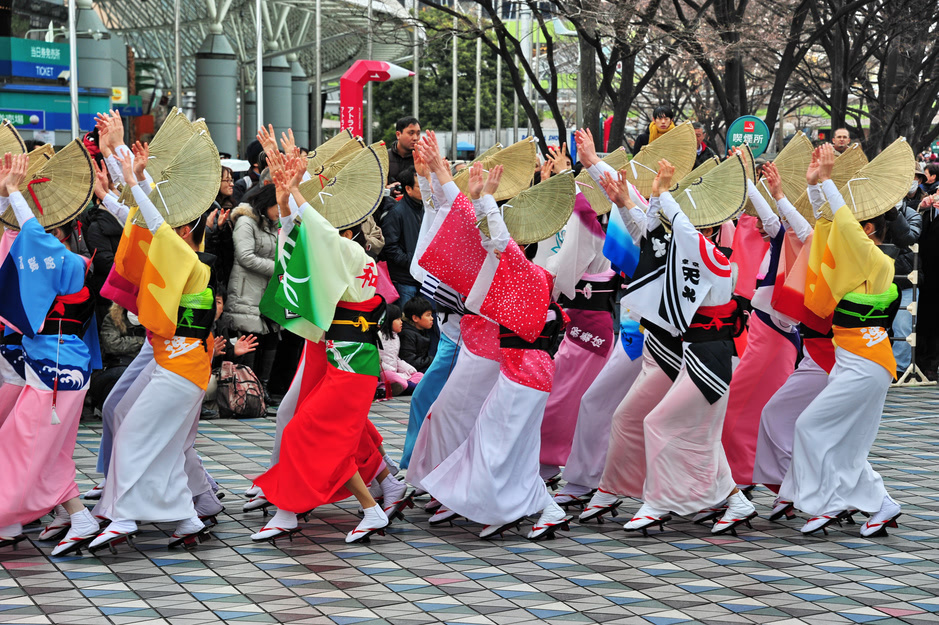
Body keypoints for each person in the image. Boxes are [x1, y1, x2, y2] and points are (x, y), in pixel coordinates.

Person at [250, 155, 409, 544]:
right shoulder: (343, 255)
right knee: (324, 435)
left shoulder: (349, 253)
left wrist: (298, 190)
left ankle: (359, 508)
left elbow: (316, 233)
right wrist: (288, 195)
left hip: (352, 363)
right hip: (346, 360)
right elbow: (298, 234)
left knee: (306, 433)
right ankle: (368, 500)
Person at [88, 142, 219, 552]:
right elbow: (142, 225)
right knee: (162, 445)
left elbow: (153, 224)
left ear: (186, 233)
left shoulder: (190, 260)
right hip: (180, 365)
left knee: (131, 433)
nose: (164, 231)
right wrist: (115, 186)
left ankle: (124, 516)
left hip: (180, 369)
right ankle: (186, 517)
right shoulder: (181, 257)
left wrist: (135, 180)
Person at [779, 143, 903, 537]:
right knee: (846, 442)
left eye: (858, 224)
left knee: (809, 427)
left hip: (866, 363)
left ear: (869, 230)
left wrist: (829, 182)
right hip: (858, 360)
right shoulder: (855, 259)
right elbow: (826, 228)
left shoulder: (877, 260)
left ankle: (828, 503)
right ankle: (881, 504)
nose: (848, 230)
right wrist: (815, 188)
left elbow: (843, 225)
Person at [0, 152, 100, 552]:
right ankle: (77, 516)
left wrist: (12, 192)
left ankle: (15, 518)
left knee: (21, 445)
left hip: (55, 371)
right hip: (60, 366)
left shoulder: (63, 259)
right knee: (46, 452)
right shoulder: (71, 260)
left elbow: (31, 237)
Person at [227, 183, 279, 390]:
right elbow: (245, 256)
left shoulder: (274, 224)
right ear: (267, 203)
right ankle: (245, 390)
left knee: (272, 338)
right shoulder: (246, 222)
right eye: (279, 206)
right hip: (246, 291)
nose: (282, 211)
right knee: (250, 339)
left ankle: (262, 388)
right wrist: (278, 269)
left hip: (268, 293)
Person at [381, 167, 424, 306]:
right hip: (404, 279)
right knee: (405, 322)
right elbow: (390, 247)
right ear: (408, 189)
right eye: (420, 185)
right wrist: (411, 261)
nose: (425, 188)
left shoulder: (424, 209)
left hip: (421, 277)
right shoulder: (396, 212)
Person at [379, 303, 424, 396]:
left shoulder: (396, 337)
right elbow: (376, 361)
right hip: (384, 372)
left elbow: (396, 359)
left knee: (420, 375)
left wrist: (409, 369)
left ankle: (403, 387)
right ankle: (411, 387)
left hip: (396, 373)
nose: (401, 322)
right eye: (398, 319)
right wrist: (390, 369)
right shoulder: (378, 336)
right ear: (388, 320)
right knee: (390, 376)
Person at [400, 296, 434, 373]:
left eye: (431, 315)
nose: (432, 318)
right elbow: (410, 361)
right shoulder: (407, 334)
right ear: (415, 318)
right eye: (428, 315)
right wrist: (432, 360)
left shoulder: (422, 330)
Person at [387, 116, 421, 185]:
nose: (415, 138)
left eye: (418, 134)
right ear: (398, 134)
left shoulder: (422, 159)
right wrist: (387, 189)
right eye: (411, 133)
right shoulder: (384, 158)